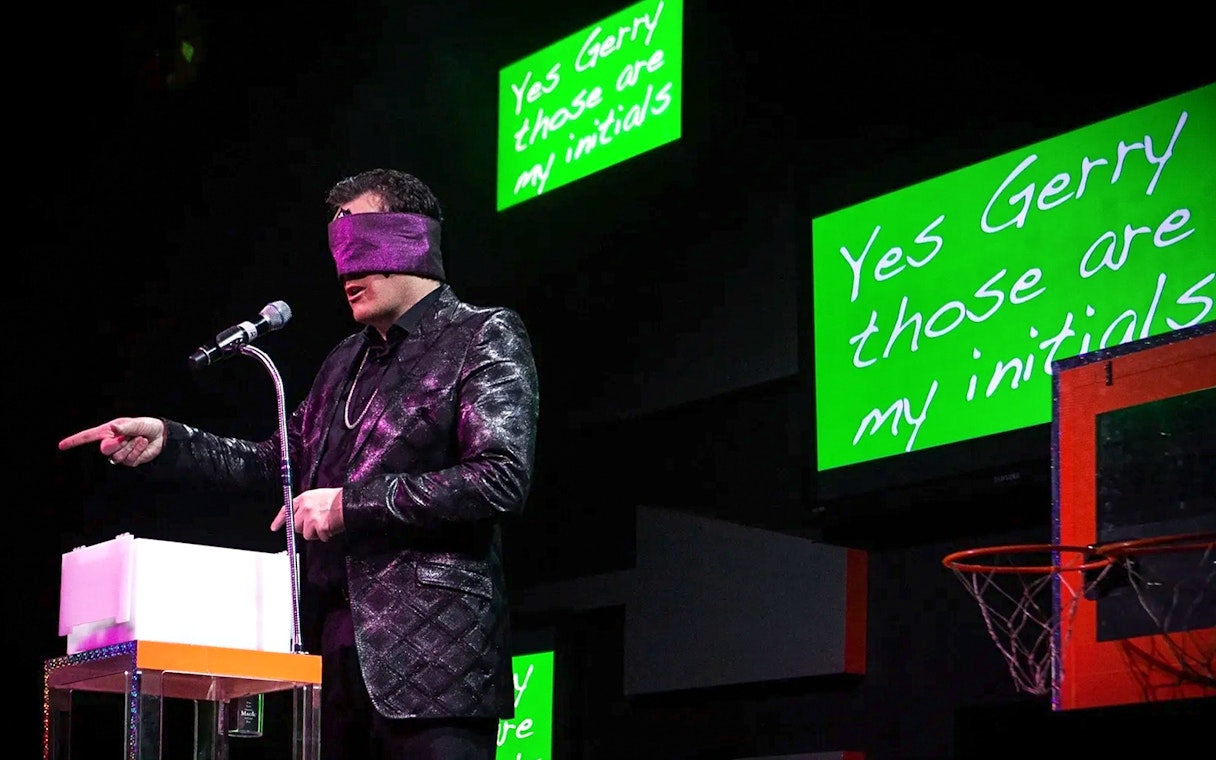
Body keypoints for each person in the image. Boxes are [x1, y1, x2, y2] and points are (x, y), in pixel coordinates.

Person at [57, 168, 540, 760]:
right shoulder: (344, 362)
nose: (344, 271)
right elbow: (274, 463)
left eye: (359, 242)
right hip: (336, 655)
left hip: (436, 661)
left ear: (410, 239)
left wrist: (348, 506)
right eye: (336, 249)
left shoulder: (483, 336)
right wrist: (171, 440)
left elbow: (499, 478)